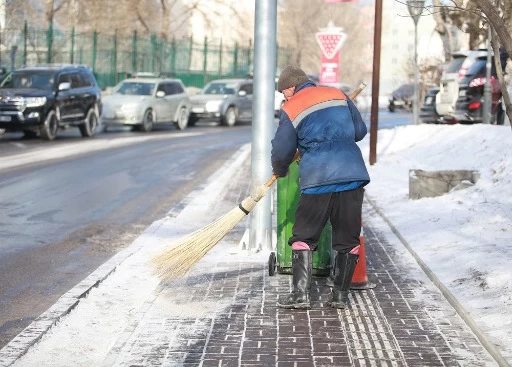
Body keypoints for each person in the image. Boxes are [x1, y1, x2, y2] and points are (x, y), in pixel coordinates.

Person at [271, 65, 370, 310]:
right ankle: (340, 296)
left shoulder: (291, 107)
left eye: (283, 92)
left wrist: (280, 169)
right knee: (348, 237)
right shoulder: (338, 95)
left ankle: (300, 295)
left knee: (304, 235)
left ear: (291, 87)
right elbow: (359, 131)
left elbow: (282, 149)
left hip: (318, 178)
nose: (284, 97)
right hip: (352, 175)